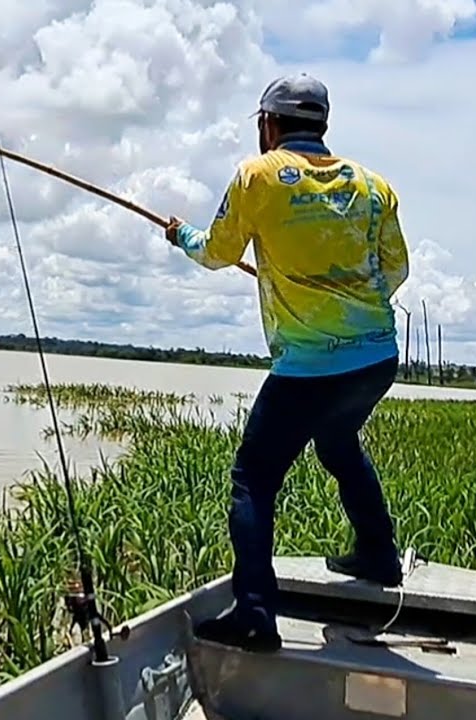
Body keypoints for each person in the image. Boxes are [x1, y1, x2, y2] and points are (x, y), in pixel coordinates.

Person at [164, 72, 410, 652]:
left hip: (309, 365)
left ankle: (253, 613)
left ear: (268, 125)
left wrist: (180, 236)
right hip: (375, 359)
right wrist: (344, 297)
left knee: (252, 478)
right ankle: (379, 554)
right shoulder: (373, 187)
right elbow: (395, 270)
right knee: (338, 443)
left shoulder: (258, 177)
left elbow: (219, 251)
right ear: (320, 125)